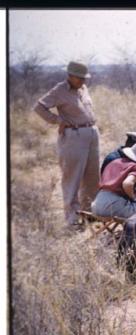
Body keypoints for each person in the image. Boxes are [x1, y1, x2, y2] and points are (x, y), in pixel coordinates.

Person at [33, 60, 100, 227]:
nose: (83, 81)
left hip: (91, 133)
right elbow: (39, 107)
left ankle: (89, 212)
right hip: (73, 136)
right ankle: (72, 218)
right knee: (72, 177)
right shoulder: (60, 90)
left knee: (92, 176)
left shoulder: (83, 89)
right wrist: (57, 120)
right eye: (79, 78)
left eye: (84, 78)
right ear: (70, 76)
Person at [91, 141, 136, 219]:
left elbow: (115, 186)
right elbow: (127, 184)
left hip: (97, 204)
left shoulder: (115, 162)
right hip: (114, 205)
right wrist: (133, 198)